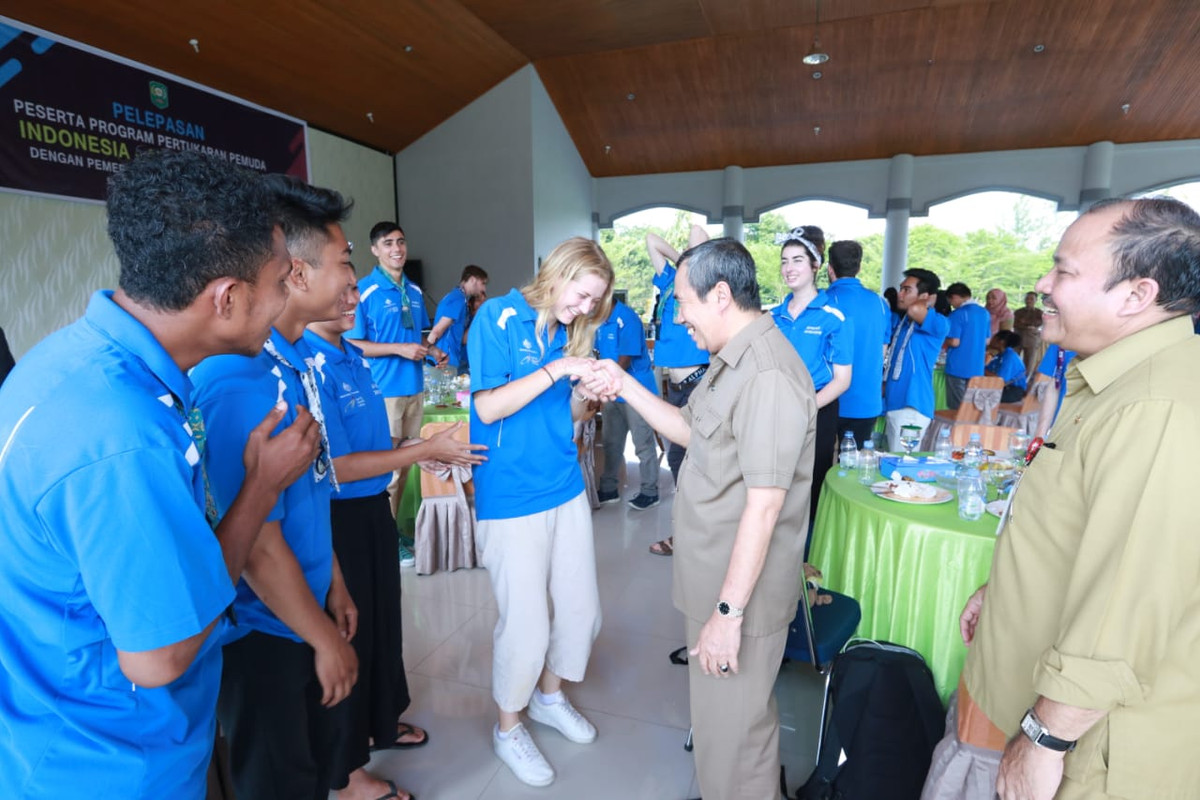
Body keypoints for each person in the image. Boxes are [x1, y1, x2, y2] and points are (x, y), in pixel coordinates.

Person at [0, 149, 320, 798]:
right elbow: (159, 657)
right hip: (111, 762)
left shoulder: (65, 361)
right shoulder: (121, 438)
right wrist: (261, 487)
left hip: (48, 729)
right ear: (227, 298)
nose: (289, 296)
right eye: (281, 281)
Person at [922, 197, 1200, 800]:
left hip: (1083, 751)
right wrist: (1004, 590)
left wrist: (1044, 739)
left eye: (1064, 271)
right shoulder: (1112, 380)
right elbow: (1080, 525)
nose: (1043, 285)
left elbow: (1128, 604)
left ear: (1137, 294)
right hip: (1018, 691)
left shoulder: (1156, 408)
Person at [596, 237, 815, 800]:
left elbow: (765, 505)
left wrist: (726, 615)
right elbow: (690, 430)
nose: (678, 317)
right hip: (714, 579)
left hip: (737, 597)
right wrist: (623, 384)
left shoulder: (766, 375)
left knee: (737, 738)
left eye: (682, 302)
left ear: (720, 295)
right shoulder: (730, 359)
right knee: (720, 731)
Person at [191, 175, 361, 800]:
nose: (353, 280)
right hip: (267, 633)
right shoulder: (235, 383)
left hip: (303, 613)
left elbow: (306, 496)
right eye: (345, 261)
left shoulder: (283, 364)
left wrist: (334, 581)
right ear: (294, 271)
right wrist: (322, 639)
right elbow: (257, 547)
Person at [306, 265, 488, 800]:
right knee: (350, 632)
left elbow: (368, 444)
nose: (353, 299)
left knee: (383, 623)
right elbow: (335, 466)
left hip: (370, 511)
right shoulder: (307, 364)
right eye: (344, 288)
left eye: (353, 288)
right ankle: (347, 774)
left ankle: (378, 723)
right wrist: (422, 450)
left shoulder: (350, 355)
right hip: (337, 517)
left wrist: (410, 450)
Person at [468, 236, 614, 788]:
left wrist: (587, 394)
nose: (584, 308)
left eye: (594, 302)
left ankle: (549, 697)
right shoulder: (498, 317)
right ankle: (508, 727)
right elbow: (488, 407)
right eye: (581, 295)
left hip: (564, 485)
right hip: (511, 495)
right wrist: (559, 370)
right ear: (557, 274)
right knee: (527, 625)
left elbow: (566, 415)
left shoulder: (569, 333)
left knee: (582, 612)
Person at [347, 222, 446, 520]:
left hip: (414, 387)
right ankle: (386, 535)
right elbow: (352, 343)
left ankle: (398, 529)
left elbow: (414, 338)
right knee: (389, 470)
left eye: (400, 242)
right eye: (388, 243)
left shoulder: (413, 291)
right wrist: (398, 349)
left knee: (410, 465)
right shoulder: (364, 291)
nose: (397, 249)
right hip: (383, 391)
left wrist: (431, 351)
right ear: (374, 250)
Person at [771, 226, 851, 526]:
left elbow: (842, 380)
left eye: (797, 260)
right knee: (776, 485)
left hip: (817, 410)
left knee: (812, 486)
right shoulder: (774, 317)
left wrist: (806, 406)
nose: (789, 268)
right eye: (784, 261)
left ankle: (809, 551)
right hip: (778, 409)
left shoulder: (833, 317)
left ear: (815, 265)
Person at [645, 224, 710, 556]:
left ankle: (693, 534)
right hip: (675, 386)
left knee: (692, 460)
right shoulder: (671, 281)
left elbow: (698, 232)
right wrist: (680, 261)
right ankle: (687, 532)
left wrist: (690, 261)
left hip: (698, 381)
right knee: (679, 459)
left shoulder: (702, 284)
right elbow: (651, 240)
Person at [595, 297, 661, 510]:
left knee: (642, 444)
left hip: (635, 390)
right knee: (611, 443)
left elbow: (624, 360)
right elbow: (598, 354)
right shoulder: (600, 321)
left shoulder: (627, 318)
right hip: (613, 391)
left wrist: (601, 383)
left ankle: (650, 492)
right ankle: (608, 489)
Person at [825, 240, 891, 446]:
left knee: (819, 462)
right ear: (859, 267)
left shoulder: (822, 301)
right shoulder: (880, 303)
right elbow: (882, 351)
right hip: (866, 400)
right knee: (855, 462)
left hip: (828, 399)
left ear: (830, 268)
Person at [884, 268, 949, 451]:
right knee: (892, 461)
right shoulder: (904, 323)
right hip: (895, 402)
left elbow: (915, 309)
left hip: (913, 406)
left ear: (925, 297)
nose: (900, 294)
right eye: (901, 289)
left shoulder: (938, 322)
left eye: (907, 290)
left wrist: (926, 301)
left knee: (903, 463)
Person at [427, 264, 489, 373]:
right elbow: (437, 331)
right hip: (443, 361)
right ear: (473, 280)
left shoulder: (460, 299)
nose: (484, 288)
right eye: (483, 283)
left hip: (448, 360)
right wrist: (428, 353)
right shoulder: (458, 299)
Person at [943, 282, 991, 410]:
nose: (951, 305)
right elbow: (987, 341)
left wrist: (942, 337)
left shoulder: (957, 314)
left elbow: (954, 342)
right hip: (977, 367)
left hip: (957, 366)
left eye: (950, 301)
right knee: (971, 407)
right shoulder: (984, 313)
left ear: (954, 297)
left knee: (957, 408)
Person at [985, 330, 1027, 403]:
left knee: (982, 396)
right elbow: (988, 370)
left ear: (1001, 342)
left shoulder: (1009, 356)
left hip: (1013, 391)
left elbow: (1001, 380)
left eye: (994, 338)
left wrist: (982, 369)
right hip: (1007, 389)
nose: (991, 340)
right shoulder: (1000, 356)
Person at [1013, 290, 1045, 376]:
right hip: (1018, 338)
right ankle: (1013, 377)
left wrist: (1025, 324)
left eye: (1031, 299)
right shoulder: (1018, 312)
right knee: (1014, 359)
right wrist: (1028, 326)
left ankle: (1026, 379)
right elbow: (1016, 324)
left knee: (1029, 362)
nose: (1029, 301)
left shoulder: (1039, 313)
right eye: (1027, 298)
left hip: (1032, 339)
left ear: (1035, 300)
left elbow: (1038, 323)